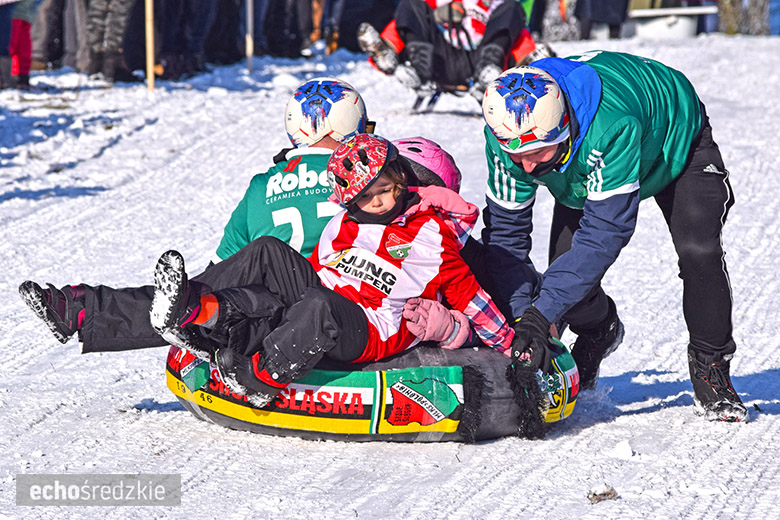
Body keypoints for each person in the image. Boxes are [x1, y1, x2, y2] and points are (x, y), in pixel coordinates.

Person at [150, 133, 515, 408]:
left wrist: (481, 336)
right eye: (365, 195)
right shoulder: (353, 220)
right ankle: (193, 308)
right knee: (269, 253)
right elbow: (320, 268)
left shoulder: (439, 238)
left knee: (319, 308)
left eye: (384, 191)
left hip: (367, 326)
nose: (375, 202)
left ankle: (260, 377)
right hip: (330, 298)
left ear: (405, 184)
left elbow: (475, 300)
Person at [478, 52, 747, 422]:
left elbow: (605, 232)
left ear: (565, 128)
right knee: (566, 281)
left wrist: (544, 313)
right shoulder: (506, 136)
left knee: (698, 251)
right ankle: (600, 330)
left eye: (537, 153)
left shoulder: (611, 126)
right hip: (581, 169)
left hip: (675, 140)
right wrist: (525, 318)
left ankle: (710, 364)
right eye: (516, 154)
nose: (525, 166)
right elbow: (506, 238)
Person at [18, 77, 372, 355]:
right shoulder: (367, 178)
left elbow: (224, 266)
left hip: (276, 310)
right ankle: (100, 308)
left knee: (201, 292)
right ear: (347, 125)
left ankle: (83, 308)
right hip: (339, 309)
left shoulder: (262, 185)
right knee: (200, 298)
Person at [356, 0, 551, 102]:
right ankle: (393, 55)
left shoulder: (494, 2)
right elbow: (407, 20)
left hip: (483, 59)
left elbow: (513, 28)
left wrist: (526, 54)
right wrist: (436, 15)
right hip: (437, 60)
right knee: (410, 5)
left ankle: (524, 64)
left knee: (513, 9)